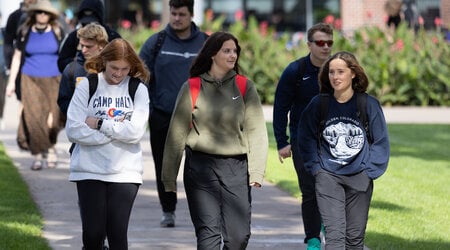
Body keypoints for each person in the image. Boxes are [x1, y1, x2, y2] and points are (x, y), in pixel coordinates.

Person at [161, 31, 268, 250]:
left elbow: (257, 131)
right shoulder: (192, 87)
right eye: (226, 51)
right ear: (212, 54)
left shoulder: (244, 86)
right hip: (200, 168)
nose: (232, 55)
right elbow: (176, 134)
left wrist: (257, 171)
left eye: (235, 51)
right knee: (208, 235)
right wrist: (168, 178)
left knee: (238, 237)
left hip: (236, 168)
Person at [298, 51, 390, 249]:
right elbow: (305, 137)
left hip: (359, 177)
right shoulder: (319, 104)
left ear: (353, 73)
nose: (335, 77)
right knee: (335, 237)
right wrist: (316, 168)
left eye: (341, 71)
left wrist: (369, 171)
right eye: (331, 72)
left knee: (355, 238)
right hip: (328, 177)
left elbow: (380, 140)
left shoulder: (368, 104)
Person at [65, 38, 150, 249]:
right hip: (88, 169)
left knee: (117, 233)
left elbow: (136, 132)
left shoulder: (138, 89)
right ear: (104, 61)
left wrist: (100, 123)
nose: (118, 74)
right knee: (93, 235)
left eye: (124, 69)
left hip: (125, 171)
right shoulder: (87, 85)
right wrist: (115, 133)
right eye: (114, 68)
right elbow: (73, 129)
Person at [139, 0, 208, 227]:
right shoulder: (157, 42)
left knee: (198, 167)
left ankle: (203, 212)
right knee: (164, 166)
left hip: (197, 118)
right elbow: (140, 76)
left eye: (181, 14)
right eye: (173, 13)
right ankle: (168, 210)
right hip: (162, 116)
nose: (176, 18)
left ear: (191, 15)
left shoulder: (206, 43)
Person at [272, 22, 333, 250]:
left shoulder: (337, 70)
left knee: (330, 188)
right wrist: (282, 142)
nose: (325, 47)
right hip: (302, 141)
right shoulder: (295, 71)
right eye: (320, 43)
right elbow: (281, 108)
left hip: (333, 142)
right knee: (309, 191)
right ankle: (313, 239)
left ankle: (330, 228)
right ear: (309, 45)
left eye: (329, 43)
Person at [6, 0, 65, 170]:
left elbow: (66, 53)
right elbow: (17, 58)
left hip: (54, 78)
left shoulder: (57, 30)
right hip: (29, 78)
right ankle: (38, 156)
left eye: (45, 13)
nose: (42, 15)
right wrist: (11, 83)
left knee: (53, 120)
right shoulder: (25, 31)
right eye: (39, 12)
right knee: (34, 118)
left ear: (50, 15)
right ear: (34, 13)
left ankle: (51, 148)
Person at [57, 23, 109, 116]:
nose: (83, 50)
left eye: (88, 46)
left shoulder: (113, 68)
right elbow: (63, 101)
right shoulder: (71, 69)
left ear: (101, 45)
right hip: (79, 126)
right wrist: (80, 114)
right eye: (82, 45)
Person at [57, 0, 121, 73]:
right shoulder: (74, 36)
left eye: (93, 23)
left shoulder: (112, 36)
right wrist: (77, 63)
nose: (88, 27)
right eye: (85, 23)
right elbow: (62, 62)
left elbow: (122, 60)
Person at [3, 0, 37, 100]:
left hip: (44, 72)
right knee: (24, 103)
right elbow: (8, 45)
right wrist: (11, 67)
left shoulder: (50, 17)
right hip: (22, 66)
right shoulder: (15, 16)